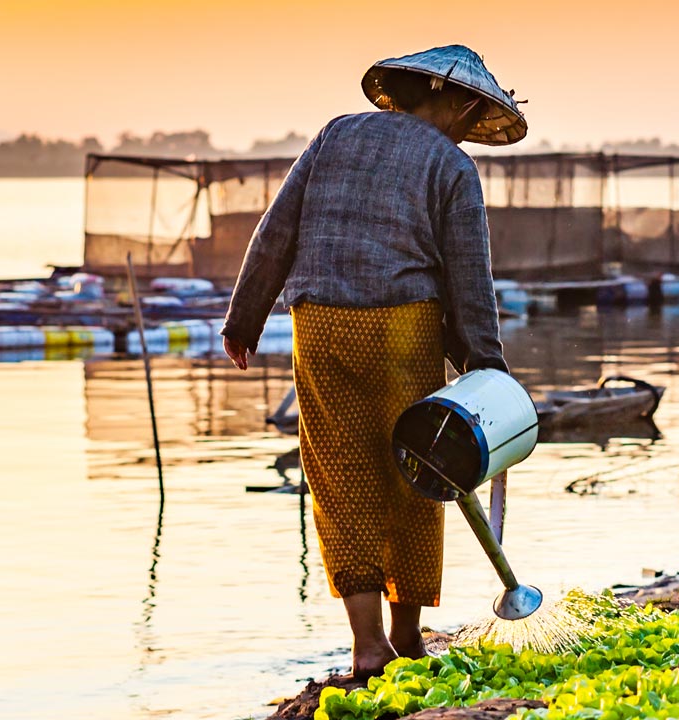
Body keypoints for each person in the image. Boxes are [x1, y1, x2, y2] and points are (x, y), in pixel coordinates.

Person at [220, 45, 526, 678]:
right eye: (473, 120)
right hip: (401, 329)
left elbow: (277, 230)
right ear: (462, 103)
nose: (470, 132)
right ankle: (407, 637)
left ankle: (367, 647)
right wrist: (487, 367)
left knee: (340, 478)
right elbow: (470, 278)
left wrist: (244, 319)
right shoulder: (452, 167)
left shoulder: (336, 134)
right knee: (421, 475)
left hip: (320, 324)